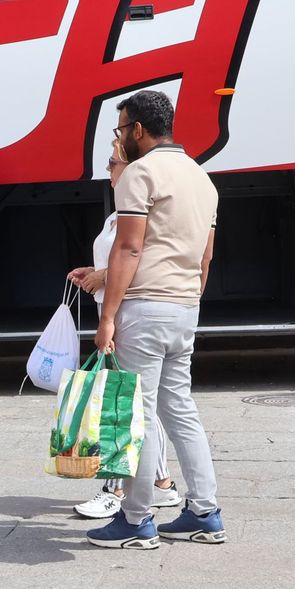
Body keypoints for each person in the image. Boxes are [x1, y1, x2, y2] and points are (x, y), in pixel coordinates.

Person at [87, 91, 224, 550]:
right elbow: (206, 256)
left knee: (137, 417)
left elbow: (129, 248)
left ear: (137, 130)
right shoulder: (203, 179)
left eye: (121, 129)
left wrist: (108, 316)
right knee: (180, 409)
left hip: (143, 307)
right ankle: (205, 512)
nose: (120, 138)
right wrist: (189, 299)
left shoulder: (139, 174)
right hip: (185, 308)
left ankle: (136, 520)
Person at [66, 140, 182, 519]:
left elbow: (140, 259)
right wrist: (94, 273)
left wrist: (108, 315)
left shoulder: (137, 206)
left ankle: (116, 490)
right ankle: (162, 484)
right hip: (120, 310)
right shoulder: (117, 213)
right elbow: (116, 258)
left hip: (129, 315)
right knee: (142, 405)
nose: (109, 168)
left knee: (125, 406)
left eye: (113, 161)